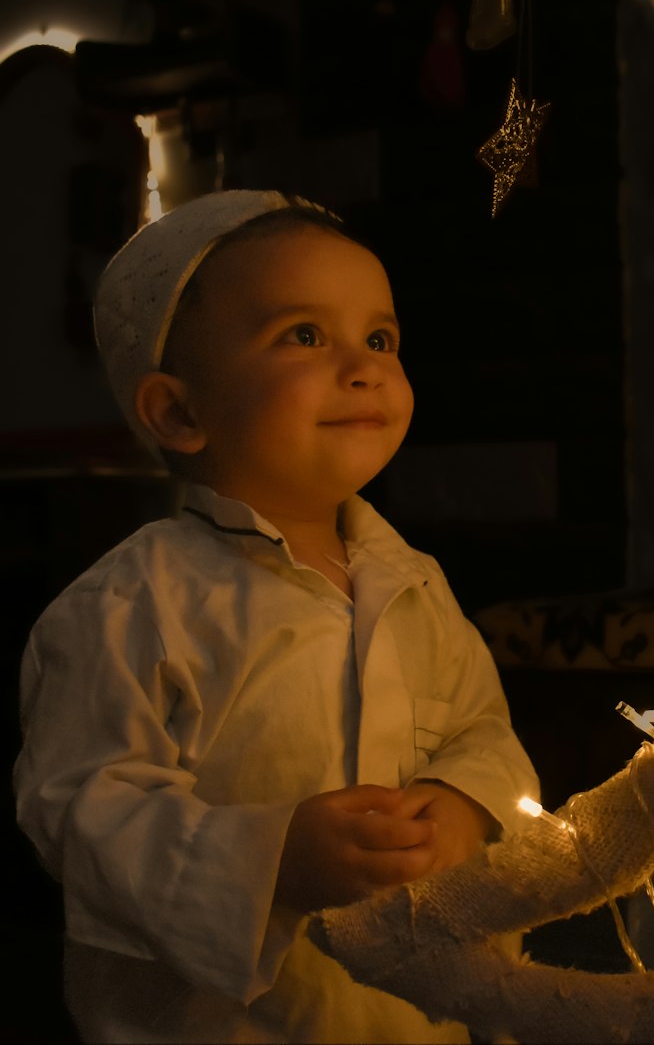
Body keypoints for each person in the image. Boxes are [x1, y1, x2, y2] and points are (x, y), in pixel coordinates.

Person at [14, 189, 539, 1044]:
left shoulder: (414, 582)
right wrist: (272, 863)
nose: (363, 366)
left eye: (380, 338)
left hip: (412, 1019)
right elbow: (81, 806)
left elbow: (479, 725)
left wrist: (461, 799)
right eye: (303, 335)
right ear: (180, 411)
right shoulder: (130, 606)